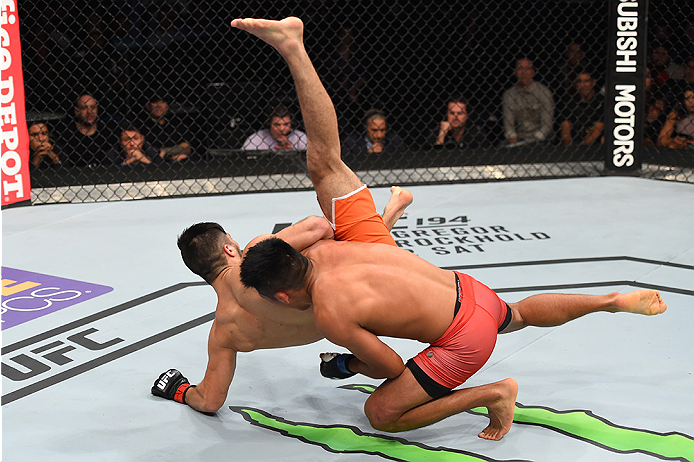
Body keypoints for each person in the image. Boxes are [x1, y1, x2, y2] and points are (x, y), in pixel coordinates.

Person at [151, 17, 413, 414]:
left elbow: (210, 401)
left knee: (336, 283)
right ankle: (295, 48)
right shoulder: (253, 256)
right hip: (365, 285)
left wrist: (177, 389)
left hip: (360, 314)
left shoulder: (224, 331)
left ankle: (389, 216)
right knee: (326, 170)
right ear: (229, 249)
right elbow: (321, 225)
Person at [239, 235, 668, 440]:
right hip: (469, 290)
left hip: (464, 338)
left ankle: (496, 394)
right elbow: (312, 221)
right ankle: (607, 300)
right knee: (517, 315)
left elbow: (389, 368)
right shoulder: (326, 247)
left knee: (381, 412)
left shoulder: (331, 311)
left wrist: (344, 365)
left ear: (281, 294)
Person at [501, 58, 555, 146]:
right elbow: (508, 123)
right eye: (520, 69)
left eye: (527, 69)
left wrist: (536, 138)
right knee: (501, 149)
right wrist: (512, 136)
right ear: (515, 72)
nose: (524, 72)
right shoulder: (509, 95)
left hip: (540, 138)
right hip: (519, 137)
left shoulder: (544, 92)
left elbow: (547, 124)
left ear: (533, 72)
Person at [56, 93, 116, 166]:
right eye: (84, 108)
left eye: (92, 107)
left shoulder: (106, 134)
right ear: (76, 112)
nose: (89, 112)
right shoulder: (67, 136)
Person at [558, 70, 604, 146]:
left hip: (595, 144)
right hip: (573, 143)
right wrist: (570, 148)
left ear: (593, 82)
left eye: (586, 81)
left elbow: (597, 131)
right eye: (579, 81)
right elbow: (565, 129)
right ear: (575, 84)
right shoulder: (569, 101)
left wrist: (581, 149)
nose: (583, 85)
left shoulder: (601, 102)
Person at [139, 96, 191, 162]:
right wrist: (174, 151)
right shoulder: (142, 126)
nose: (159, 105)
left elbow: (186, 147)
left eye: (162, 102)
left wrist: (165, 151)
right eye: (155, 102)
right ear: (148, 106)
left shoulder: (175, 123)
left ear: (167, 105)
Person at [341, 109, 408, 158]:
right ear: (365, 127)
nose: (379, 135)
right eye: (374, 130)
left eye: (382, 130)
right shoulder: (351, 142)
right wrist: (367, 156)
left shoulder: (394, 141)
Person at [241, 103, 308, 151]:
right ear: (269, 124)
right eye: (277, 125)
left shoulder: (300, 138)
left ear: (291, 124)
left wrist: (291, 154)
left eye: (286, 124)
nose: (281, 129)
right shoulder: (256, 139)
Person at [658, 85, 694, 150]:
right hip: (682, 149)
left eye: (693, 97)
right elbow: (661, 140)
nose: (690, 101)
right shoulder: (677, 114)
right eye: (687, 98)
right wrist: (673, 141)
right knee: (671, 146)